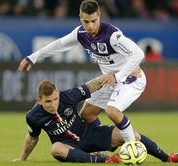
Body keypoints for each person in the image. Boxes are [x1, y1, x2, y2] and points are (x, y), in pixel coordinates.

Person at [18, 0, 146, 143]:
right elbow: (60, 44)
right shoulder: (81, 33)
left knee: (112, 111)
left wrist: (117, 76)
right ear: (80, 17)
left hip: (131, 79)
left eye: (94, 21)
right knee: (87, 114)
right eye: (86, 21)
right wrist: (32, 57)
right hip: (110, 80)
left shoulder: (112, 36)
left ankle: (132, 147)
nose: (90, 26)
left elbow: (138, 54)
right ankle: (104, 145)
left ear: (100, 16)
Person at [13, 75, 178, 163]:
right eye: (48, 102)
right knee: (56, 149)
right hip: (69, 147)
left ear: (58, 94)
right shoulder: (33, 116)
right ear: (39, 101)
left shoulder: (68, 96)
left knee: (130, 135)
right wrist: (22, 159)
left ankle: (168, 158)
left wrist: (114, 74)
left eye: (55, 99)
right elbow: (32, 138)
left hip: (90, 134)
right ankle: (106, 160)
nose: (53, 104)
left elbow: (92, 85)